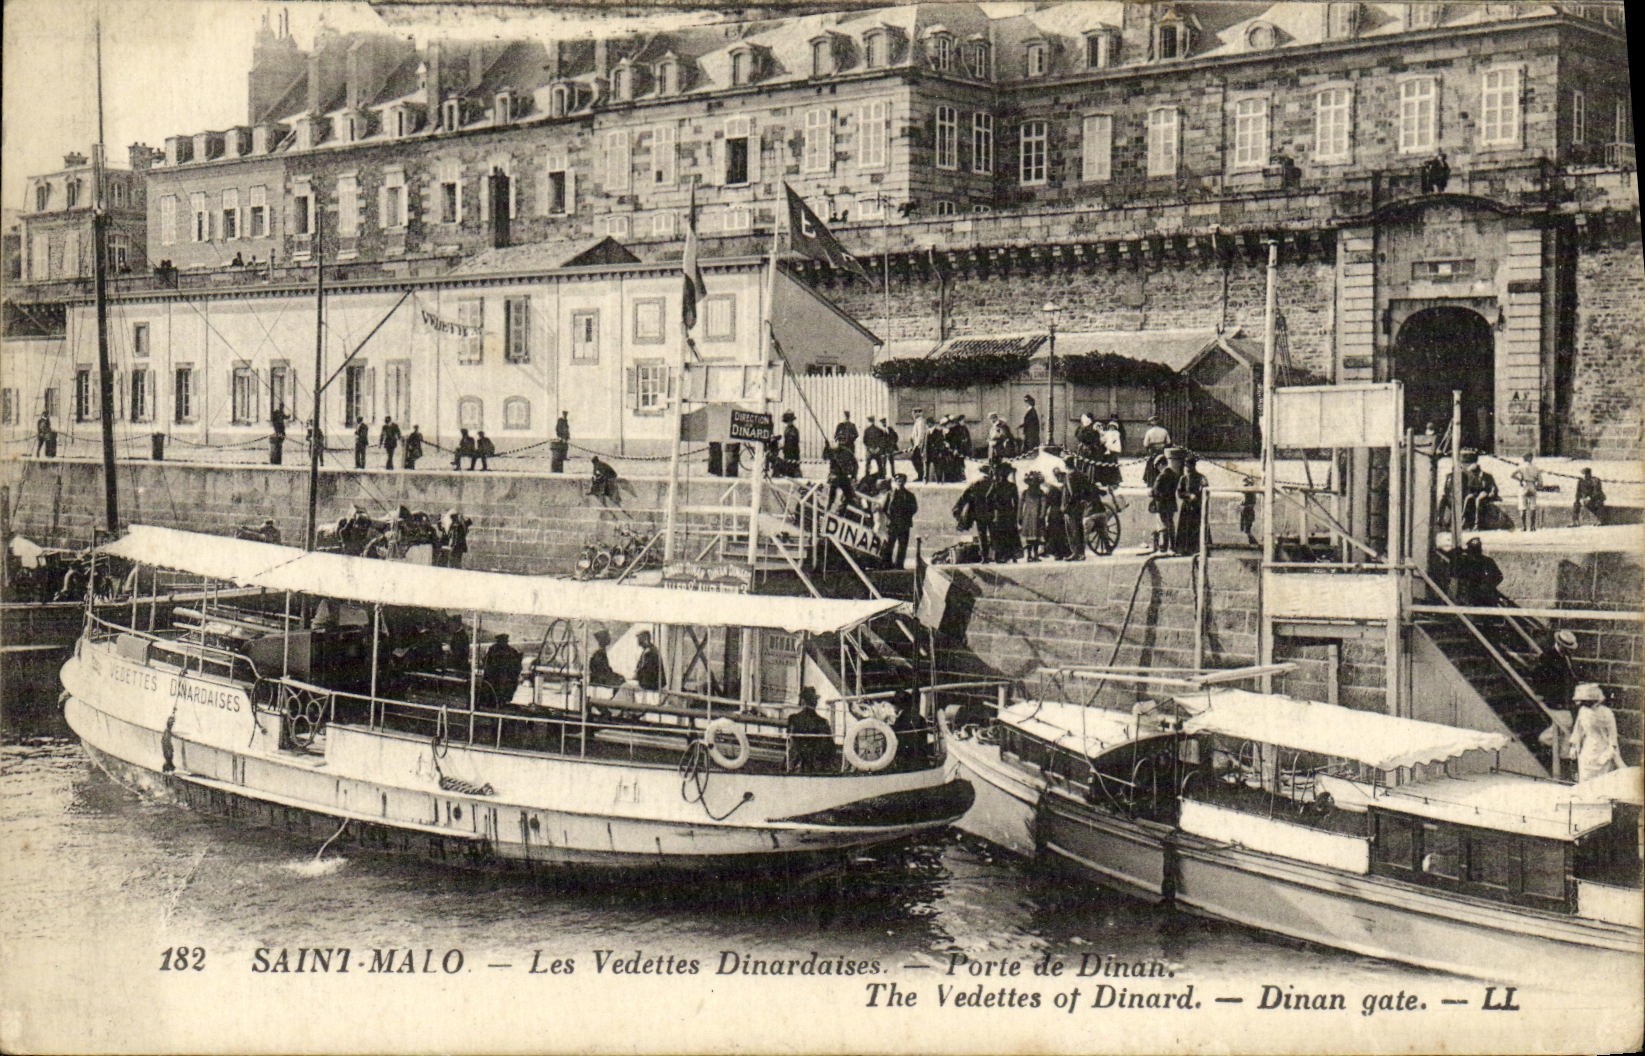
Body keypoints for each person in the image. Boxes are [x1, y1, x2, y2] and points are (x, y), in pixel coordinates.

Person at [1567, 683, 1624, 783]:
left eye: (1586, 701)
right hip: (1587, 752)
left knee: (1601, 782)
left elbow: (1612, 736)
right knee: (1585, 780)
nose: (1583, 704)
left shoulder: (1607, 713)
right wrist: (1573, 746)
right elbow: (1578, 730)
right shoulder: (1583, 711)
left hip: (1602, 752)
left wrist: (1609, 753)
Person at [1531, 629, 1580, 717]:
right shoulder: (1547, 657)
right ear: (1560, 645)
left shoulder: (1567, 657)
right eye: (1567, 648)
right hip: (1552, 703)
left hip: (1563, 703)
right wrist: (1541, 694)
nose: (1569, 651)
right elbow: (1537, 676)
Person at [786, 687, 835, 773]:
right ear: (815, 703)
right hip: (815, 764)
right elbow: (829, 747)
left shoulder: (793, 719)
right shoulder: (823, 722)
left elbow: (790, 741)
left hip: (795, 762)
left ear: (802, 701)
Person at [1450, 536, 1503, 607]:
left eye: (1477, 550)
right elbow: (1454, 574)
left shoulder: (1487, 561)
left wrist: (1487, 585)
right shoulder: (1464, 562)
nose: (1475, 554)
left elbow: (1498, 576)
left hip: (1485, 597)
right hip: (1469, 597)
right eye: (1473, 550)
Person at [954, 470, 993, 561]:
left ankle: (984, 557)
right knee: (993, 534)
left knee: (982, 534)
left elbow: (964, 496)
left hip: (979, 512)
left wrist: (957, 508)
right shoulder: (993, 484)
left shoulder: (975, 483)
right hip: (991, 512)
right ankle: (996, 555)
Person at [881, 473, 918, 570]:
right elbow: (883, 507)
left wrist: (906, 516)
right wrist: (889, 518)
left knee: (902, 546)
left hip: (904, 524)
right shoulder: (890, 494)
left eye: (902, 481)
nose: (900, 483)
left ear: (904, 482)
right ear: (895, 482)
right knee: (889, 545)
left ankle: (899, 565)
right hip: (893, 524)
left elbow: (914, 508)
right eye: (898, 481)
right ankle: (887, 564)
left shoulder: (910, 495)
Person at [1150, 448, 1184, 555]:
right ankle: (1172, 546)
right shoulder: (1173, 474)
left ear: (1160, 464)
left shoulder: (1161, 477)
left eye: (1157, 466)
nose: (1157, 469)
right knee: (1171, 525)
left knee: (1163, 526)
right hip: (1171, 503)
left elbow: (1155, 491)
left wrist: (1151, 493)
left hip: (1162, 504)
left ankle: (1163, 548)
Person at [1055, 464, 1091, 560]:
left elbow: (1072, 493)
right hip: (1080, 506)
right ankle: (1081, 553)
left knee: (1072, 531)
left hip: (1071, 507)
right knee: (1079, 530)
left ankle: (1075, 552)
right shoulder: (1081, 475)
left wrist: (1066, 506)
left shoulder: (1069, 476)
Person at [986, 461, 1020, 563]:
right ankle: (1010, 555)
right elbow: (1017, 501)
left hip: (1000, 512)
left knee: (1001, 534)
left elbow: (988, 498)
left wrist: (993, 508)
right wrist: (1015, 513)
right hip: (1009, 512)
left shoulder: (996, 485)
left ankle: (1001, 555)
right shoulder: (1011, 486)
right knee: (1009, 533)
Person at [1175, 453, 1209, 555]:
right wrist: (1188, 496)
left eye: (1189, 465)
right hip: (1186, 507)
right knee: (1185, 528)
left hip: (1197, 507)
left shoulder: (1201, 478)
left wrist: (1197, 494)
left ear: (1193, 466)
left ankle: (1198, 549)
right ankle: (1184, 549)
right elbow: (1179, 492)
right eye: (1186, 465)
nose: (1187, 468)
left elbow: (1205, 489)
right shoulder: (1183, 479)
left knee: (1197, 527)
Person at [890, 689, 931, 765]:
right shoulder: (920, 718)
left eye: (895, 704)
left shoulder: (900, 720)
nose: (893, 707)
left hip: (907, 758)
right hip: (921, 756)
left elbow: (898, 739)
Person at [482, 633, 523, 705]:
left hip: (501, 677)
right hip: (498, 676)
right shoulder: (496, 650)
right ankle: (499, 701)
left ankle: (497, 701)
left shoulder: (494, 649)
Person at [1460, 458, 1500, 531]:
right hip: (1477, 492)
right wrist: (1471, 493)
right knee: (1468, 498)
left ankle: (1477, 523)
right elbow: (1471, 487)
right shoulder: (1473, 477)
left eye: (1474, 472)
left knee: (1478, 500)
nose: (1473, 474)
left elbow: (1493, 487)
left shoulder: (1487, 476)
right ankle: (1464, 518)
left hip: (1486, 493)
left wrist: (1492, 492)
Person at [1019, 470, 1047, 561]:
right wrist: (1019, 516)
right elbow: (1020, 505)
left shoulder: (1040, 492)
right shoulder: (1026, 492)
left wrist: (1042, 515)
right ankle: (1031, 555)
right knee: (1031, 536)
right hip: (1030, 516)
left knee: (1035, 536)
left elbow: (1043, 504)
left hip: (1034, 516)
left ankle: (1034, 555)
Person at [1510, 453, 1542, 532]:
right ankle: (1532, 526)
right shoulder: (1536, 467)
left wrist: (1520, 479)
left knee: (1522, 507)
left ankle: (1524, 526)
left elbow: (1512, 475)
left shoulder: (1521, 466)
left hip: (1523, 486)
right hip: (1532, 485)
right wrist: (1537, 485)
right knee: (1532, 507)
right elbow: (1540, 481)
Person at [824, 443, 857, 511]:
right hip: (839, 477)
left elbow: (855, 464)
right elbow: (826, 456)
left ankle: (838, 508)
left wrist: (853, 475)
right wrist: (826, 448)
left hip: (842, 477)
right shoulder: (834, 451)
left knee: (848, 496)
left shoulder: (846, 452)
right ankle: (831, 507)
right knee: (835, 493)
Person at [1141, 416, 1171, 488]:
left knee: (1151, 465)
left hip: (1153, 450)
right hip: (1161, 450)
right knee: (1161, 464)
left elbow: (1145, 444)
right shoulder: (1164, 431)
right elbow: (1169, 442)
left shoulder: (1149, 432)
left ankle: (1151, 482)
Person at [776, 411, 801, 478]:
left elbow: (792, 443)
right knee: (790, 467)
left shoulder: (793, 430)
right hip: (788, 452)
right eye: (787, 421)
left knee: (793, 468)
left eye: (790, 421)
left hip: (792, 452)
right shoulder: (788, 429)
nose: (789, 422)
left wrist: (784, 447)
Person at [861, 416, 887, 482]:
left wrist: (869, 448)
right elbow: (882, 441)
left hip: (870, 450)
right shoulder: (879, 430)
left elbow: (864, 441)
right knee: (879, 464)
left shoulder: (866, 430)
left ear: (869, 421)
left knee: (868, 464)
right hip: (877, 450)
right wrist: (878, 448)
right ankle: (881, 476)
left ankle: (867, 475)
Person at [909, 408, 930, 482]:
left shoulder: (920, 422)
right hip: (917, 445)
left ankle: (921, 476)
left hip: (919, 445)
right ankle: (921, 475)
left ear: (917, 413)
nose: (913, 415)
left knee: (915, 459)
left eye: (914, 413)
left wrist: (917, 445)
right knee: (916, 460)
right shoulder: (917, 422)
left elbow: (921, 434)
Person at [1239, 475, 1258, 544]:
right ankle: (1249, 539)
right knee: (1245, 527)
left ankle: (1251, 540)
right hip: (1246, 508)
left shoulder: (1250, 491)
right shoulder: (1248, 491)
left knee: (1247, 527)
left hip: (1248, 509)